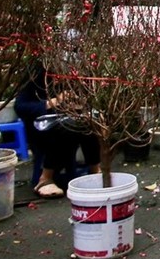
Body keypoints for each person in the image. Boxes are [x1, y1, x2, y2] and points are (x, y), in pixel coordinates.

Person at [14, 61, 101, 197]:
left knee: (89, 122)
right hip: (43, 125)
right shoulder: (37, 70)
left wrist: (78, 104)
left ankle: (95, 170)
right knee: (67, 125)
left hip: (71, 119)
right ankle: (45, 178)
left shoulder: (79, 69)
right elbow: (20, 107)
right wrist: (52, 103)